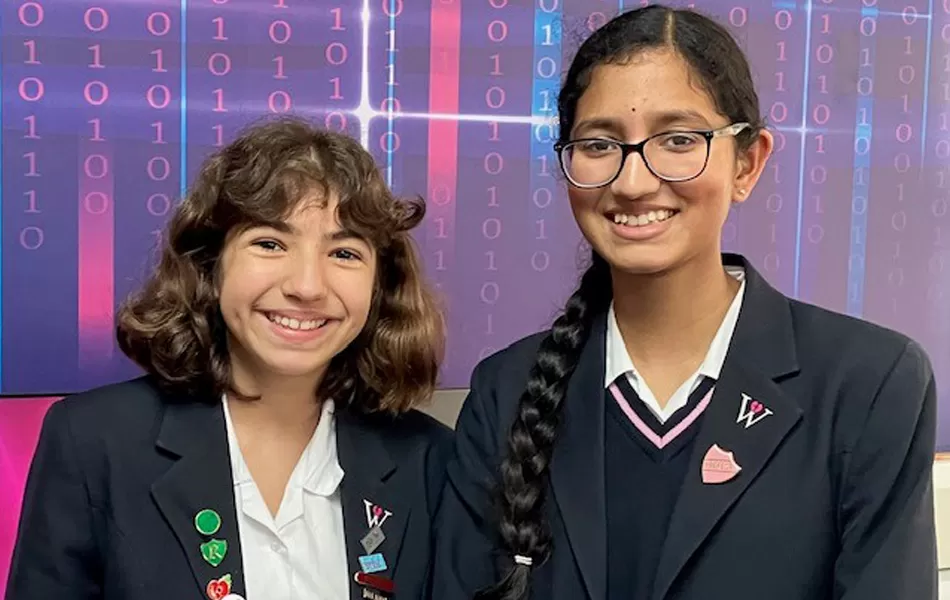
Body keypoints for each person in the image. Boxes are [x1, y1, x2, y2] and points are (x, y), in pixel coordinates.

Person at [432, 5, 937, 600]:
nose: (633, 182)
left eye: (678, 140)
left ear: (748, 162)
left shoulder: (869, 384)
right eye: (599, 144)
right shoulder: (505, 391)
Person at [7, 117, 452, 600]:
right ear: (210, 265)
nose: (307, 286)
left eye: (344, 253)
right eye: (270, 244)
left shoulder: (431, 460)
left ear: (379, 284)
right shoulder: (93, 442)